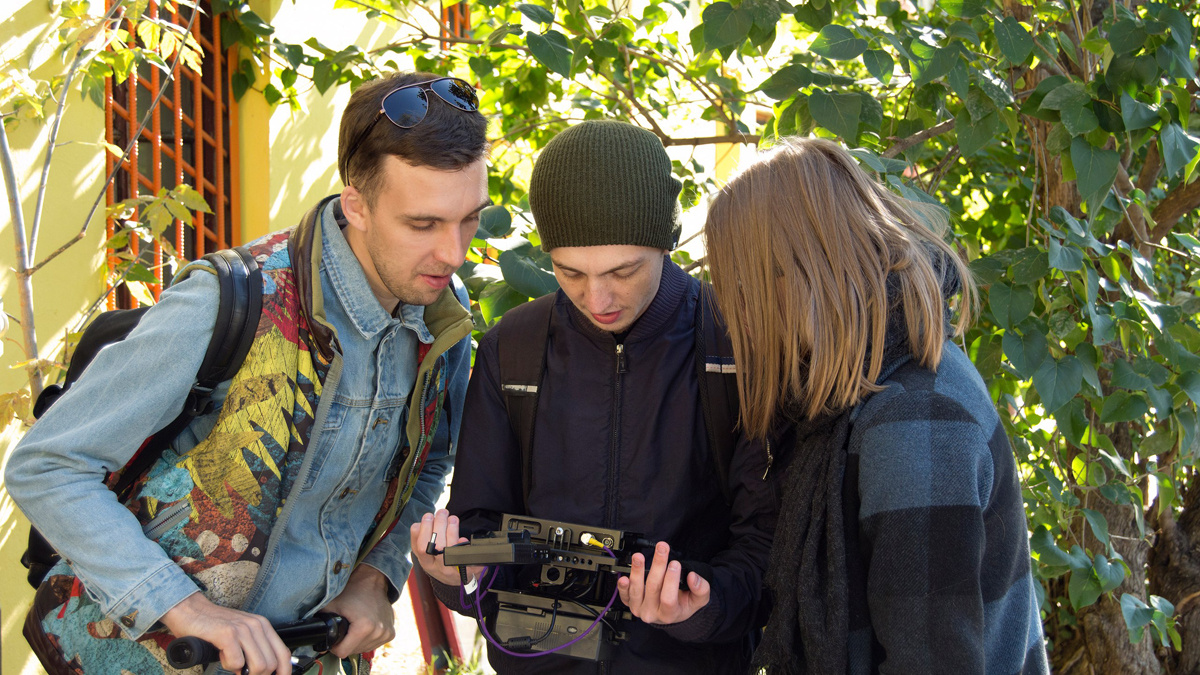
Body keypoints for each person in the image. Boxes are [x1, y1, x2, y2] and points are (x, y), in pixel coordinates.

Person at [6, 71, 490, 675]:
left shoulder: (443, 313)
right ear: (357, 207)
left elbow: (427, 465)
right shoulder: (231, 300)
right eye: (424, 224)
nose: (455, 252)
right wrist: (186, 609)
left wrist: (375, 576)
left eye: (470, 218)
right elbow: (47, 466)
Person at [409, 120, 776, 674]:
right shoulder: (515, 347)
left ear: (666, 239)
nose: (596, 298)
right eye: (569, 272)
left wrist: (702, 606)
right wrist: (460, 574)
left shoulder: (740, 347)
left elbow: (768, 548)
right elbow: (480, 528)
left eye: (623, 271)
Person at [702, 137, 1049, 674]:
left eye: (739, 287)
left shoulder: (915, 424)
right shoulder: (865, 385)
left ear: (792, 276)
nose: (733, 311)